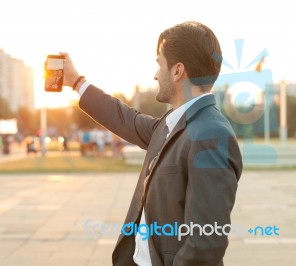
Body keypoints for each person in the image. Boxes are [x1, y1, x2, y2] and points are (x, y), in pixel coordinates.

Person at [61, 21, 243, 265]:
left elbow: (205, 244)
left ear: (177, 71)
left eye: (159, 64)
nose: (155, 74)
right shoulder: (171, 123)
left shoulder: (211, 136)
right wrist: (76, 81)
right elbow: (125, 119)